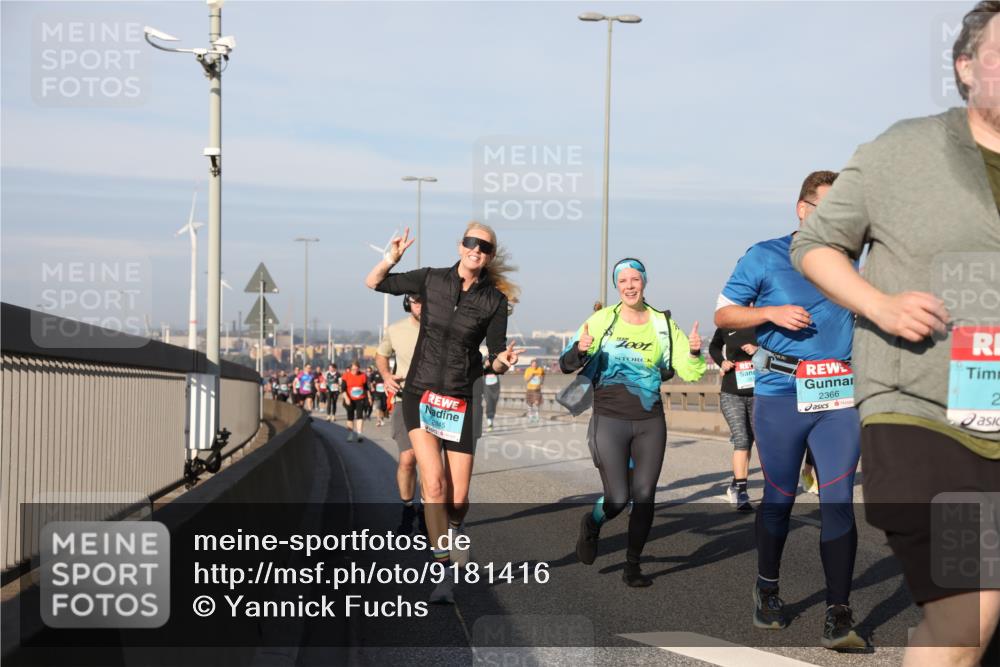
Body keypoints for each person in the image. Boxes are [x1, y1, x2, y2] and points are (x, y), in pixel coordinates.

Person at [789, 6, 1000, 662]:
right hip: (920, 407)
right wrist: (878, 304)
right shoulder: (904, 151)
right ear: (966, 68)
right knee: (972, 603)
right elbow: (817, 244)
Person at [715, 170, 865, 650]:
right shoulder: (765, 255)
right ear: (803, 209)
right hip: (781, 391)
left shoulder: (852, 262)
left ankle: (839, 614)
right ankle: (768, 586)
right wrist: (769, 314)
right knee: (779, 502)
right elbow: (724, 313)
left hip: (838, 395)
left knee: (838, 502)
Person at [366, 222, 521, 605]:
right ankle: (443, 574)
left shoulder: (495, 302)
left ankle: (454, 527)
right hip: (420, 395)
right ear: (459, 245)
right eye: (471, 242)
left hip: (460, 400)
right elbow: (374, 283)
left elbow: (495, 359)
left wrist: (503, 361)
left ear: (490, 256)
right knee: (432, 485)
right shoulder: (431, 280)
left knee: (459, 498)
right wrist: (390, 258)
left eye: (484, 247)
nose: (476, 249)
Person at [562, 257, 705, 588]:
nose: (629, 285)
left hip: (650, 421)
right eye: (623, 280)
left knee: (644, 495)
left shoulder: (662, 325)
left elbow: (690, 371)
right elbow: (566, 363)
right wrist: (581, 350)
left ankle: (633, 565)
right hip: (609, 419)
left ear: (644, 282)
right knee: (617, 498)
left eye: (635, 279)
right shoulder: (600, 321)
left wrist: (695, 354)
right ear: (617, 286)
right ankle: (593, 523)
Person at [376, 293, 425, 535]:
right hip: (404, 400)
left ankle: (429, 511)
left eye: (425, 300)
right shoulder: (395, 330)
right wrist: (386, 376)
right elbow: (381, 354)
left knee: (430, 463)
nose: (421, 306)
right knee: (408, 459)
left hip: (436, 403)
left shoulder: (442, 328)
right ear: (408, 304)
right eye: (416, 301)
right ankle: (408, 506)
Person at [709, 326, 758, 511]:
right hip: (731, 393)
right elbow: (714, 347)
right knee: (741, 440)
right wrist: (722, 361)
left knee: (754, 440)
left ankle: (734, 484)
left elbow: (777, 348)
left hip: (758, 394)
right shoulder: (726, 325)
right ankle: (741, 492)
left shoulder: (762, 323)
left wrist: (758, 351)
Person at [339, 360, 369, 442]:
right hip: (350, 399)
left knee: (360, 416)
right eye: (353, 369)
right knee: (350, 417)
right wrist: (346, 398)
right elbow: (343, 389)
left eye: (357, 369)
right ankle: (350, 434)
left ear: (359, 368)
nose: (355, 371)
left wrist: (369, 398)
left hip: (360, 398)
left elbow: (366, 388)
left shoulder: (363, 376)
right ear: (350, 369)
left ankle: (359, 434)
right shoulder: (346, 376)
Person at [482, 358, 501, 432]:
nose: (488, 362)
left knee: (493, 405)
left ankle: (491, 421)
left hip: (495, 390)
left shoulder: (495, 368)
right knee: (489, 404)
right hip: (487, 389)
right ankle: (489, 423)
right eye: (487, 361)